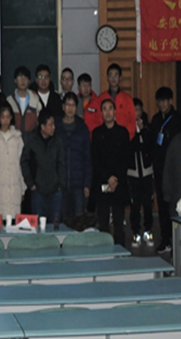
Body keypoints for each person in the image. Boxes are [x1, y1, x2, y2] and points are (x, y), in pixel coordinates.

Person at [91, 99, 131, 246]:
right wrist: (108, 177)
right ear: (101, 113)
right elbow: (95, 159)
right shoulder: (97, 133)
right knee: (103, 224)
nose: (107, 112)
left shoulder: (123, 132)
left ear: (115, 112)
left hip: (118, 183)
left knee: (119, 224)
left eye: (110, 108)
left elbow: (126, 159)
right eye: (104, 109)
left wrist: (115, 179)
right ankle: (104, 253)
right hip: (102, 183)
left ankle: (120, 253)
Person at [150, 86, 181, 253]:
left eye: (165, 101)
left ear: (171, 101)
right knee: (162, 205)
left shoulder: (178, 120)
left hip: (174, 170)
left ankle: (177, 239)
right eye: (160, 101)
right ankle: (165, 239)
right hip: (159, 169)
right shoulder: (156, 119)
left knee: (174, 206)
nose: (162, 104)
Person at [21, 109, 66, 223]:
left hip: (55, 192)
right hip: (38, 192)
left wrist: (60, 183)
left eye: (54, 124)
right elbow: (24, 162)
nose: (53, 127)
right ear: (42, 127)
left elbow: (61, 163)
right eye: (50, 124)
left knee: (55, 226)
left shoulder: (57, 141)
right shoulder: (32, 141)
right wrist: (31, 183)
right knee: (38, 227)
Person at [55, 92, 91, 221]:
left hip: (78, 184)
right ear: (63, 107)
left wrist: (87, 184)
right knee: (62, 220)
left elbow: (87, 158)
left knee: (79, 220)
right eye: (67, 105)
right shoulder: (55, 127)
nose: (70, 108)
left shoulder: (82, 128)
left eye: (73, 105)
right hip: (60, 183)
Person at [0, 104, 26, 217]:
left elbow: (20, 164)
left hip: (14, 184)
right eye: (3, 117)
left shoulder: (17, 138)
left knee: (15, 219)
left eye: (8, 117)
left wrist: (23, 188)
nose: (5, 120)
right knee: (0, 219)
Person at [128, 98, 154, 247]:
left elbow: (149, 146)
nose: (136, 112)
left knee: (148, 204)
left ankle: (148, 231)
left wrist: (143, 130)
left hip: (147, 172)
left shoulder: (148, 127)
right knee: (135, 205)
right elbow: (130, 148)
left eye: (138, 109)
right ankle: (136, 232)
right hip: (132, 173)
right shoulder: (127, 127)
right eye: (134, 110)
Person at [101, 63, 136, 139]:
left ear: (120, 78)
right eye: (111, 75)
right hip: (105, 138)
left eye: (116, 75)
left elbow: (132, 121)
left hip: (123, 138)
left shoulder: (127, 99)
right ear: (107, 78)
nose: (113, 78)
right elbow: (98, 119)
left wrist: (125, 136)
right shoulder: (101, 98)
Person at [6, 66, 40, 134]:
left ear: (29, 81)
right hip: (13, 137)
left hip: (32, 137)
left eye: (25, 77)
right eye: (20, 77)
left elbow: (39, 121)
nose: (23, 80)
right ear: (15, 80)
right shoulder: (9, 100)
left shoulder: (35, 99)